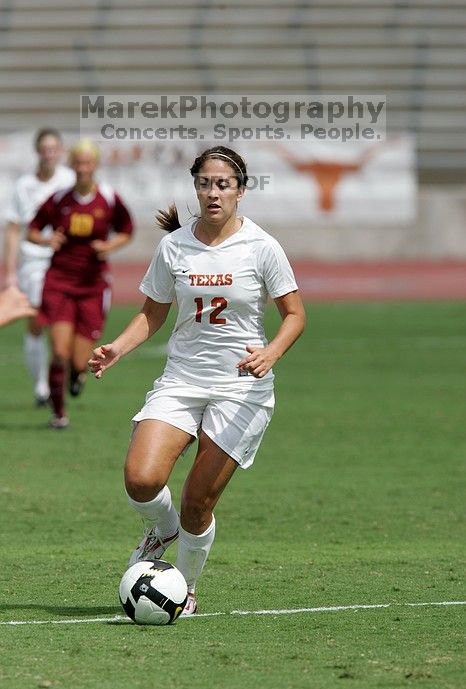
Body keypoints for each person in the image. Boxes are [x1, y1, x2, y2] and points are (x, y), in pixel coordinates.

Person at [89, 146, 306, 616]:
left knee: (196, 503)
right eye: (205, 183)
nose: (213, 192)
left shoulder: (262, 247)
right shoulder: (174, 247)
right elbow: (152, 312)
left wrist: (271, 352)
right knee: (140, 479)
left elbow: (294, 315)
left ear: (241, 191)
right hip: (182, 380)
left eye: (223, 184)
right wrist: (116, 350)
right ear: (195, 188)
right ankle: (161, 529)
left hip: (240, 390)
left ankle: (181, 590)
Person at [28, 139, 134, 429]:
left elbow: (127, 229)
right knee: (59, 351)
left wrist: (110, 246)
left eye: (88, 162)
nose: (83, 168)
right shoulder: (60, 198)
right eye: (78, 162)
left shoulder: (109, 198)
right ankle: (59, 414)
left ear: (95, 165)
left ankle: (78, 375)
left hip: (92, 285)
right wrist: (47, 239)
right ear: (72, 165)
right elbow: (33, 229)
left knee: (78, 361)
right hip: (60, 281)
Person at [3, 128, 75, 405]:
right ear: (37, 151)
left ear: (60, 151)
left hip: (64, 261)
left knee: (63, 321)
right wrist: (9, 273)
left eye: (54, 148)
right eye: (44, 148)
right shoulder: (24, 185)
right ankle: (40, 387)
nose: (49, 153)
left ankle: (63, 375)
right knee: (36, 321)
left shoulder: (70, 180)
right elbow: (13, 229)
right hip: (33, 260)